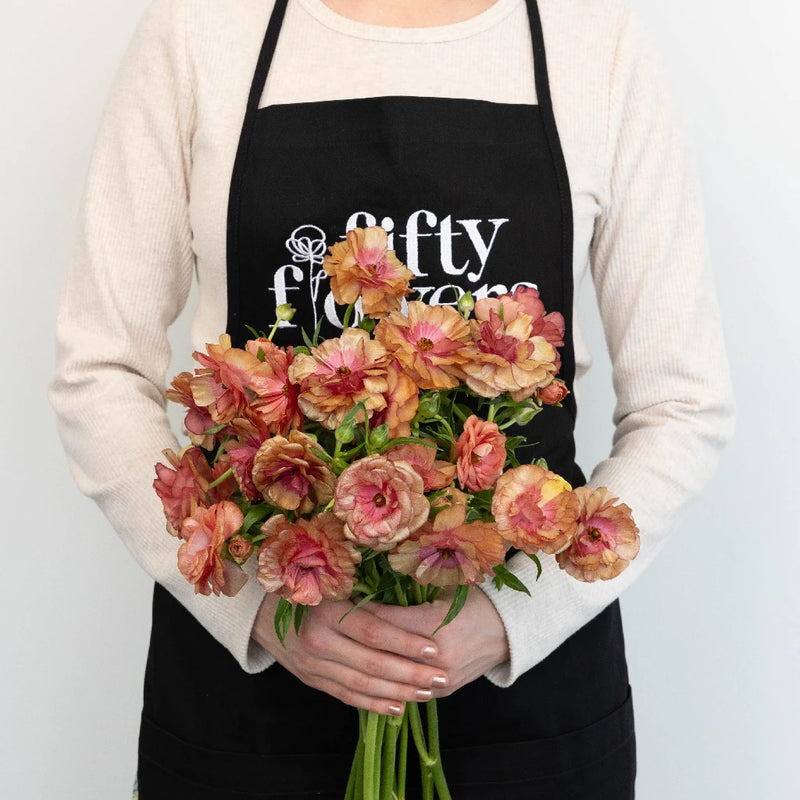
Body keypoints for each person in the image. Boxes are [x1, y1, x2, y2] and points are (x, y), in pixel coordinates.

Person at [50, 0, 735, 797]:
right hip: (254, 704)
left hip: (527, 703)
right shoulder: (201, 31)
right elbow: (97, 367)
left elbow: (683, 403)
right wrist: (262, 614)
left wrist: (514, 621)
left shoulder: (596, 43)